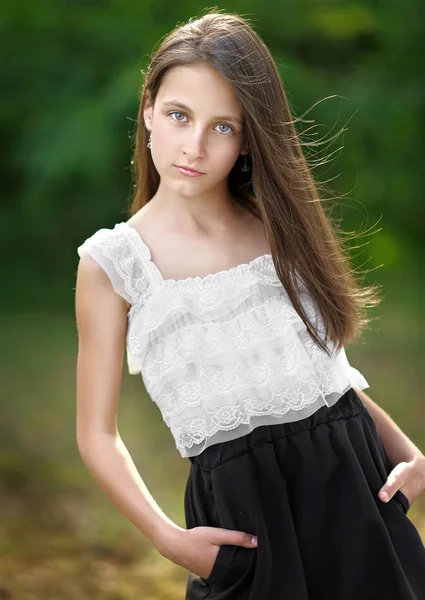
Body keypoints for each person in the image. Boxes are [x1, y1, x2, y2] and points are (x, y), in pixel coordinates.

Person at [74, 9, 425, 600]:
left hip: (356, 495)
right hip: (248, 522)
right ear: (148, 110)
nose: (194, 146)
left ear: (247, 138)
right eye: (179, 116)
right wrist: (168, 538)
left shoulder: (276, 227)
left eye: (223, 127)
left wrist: (413, 455)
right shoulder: (114, 264)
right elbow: (96, 434)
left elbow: (327, 381)